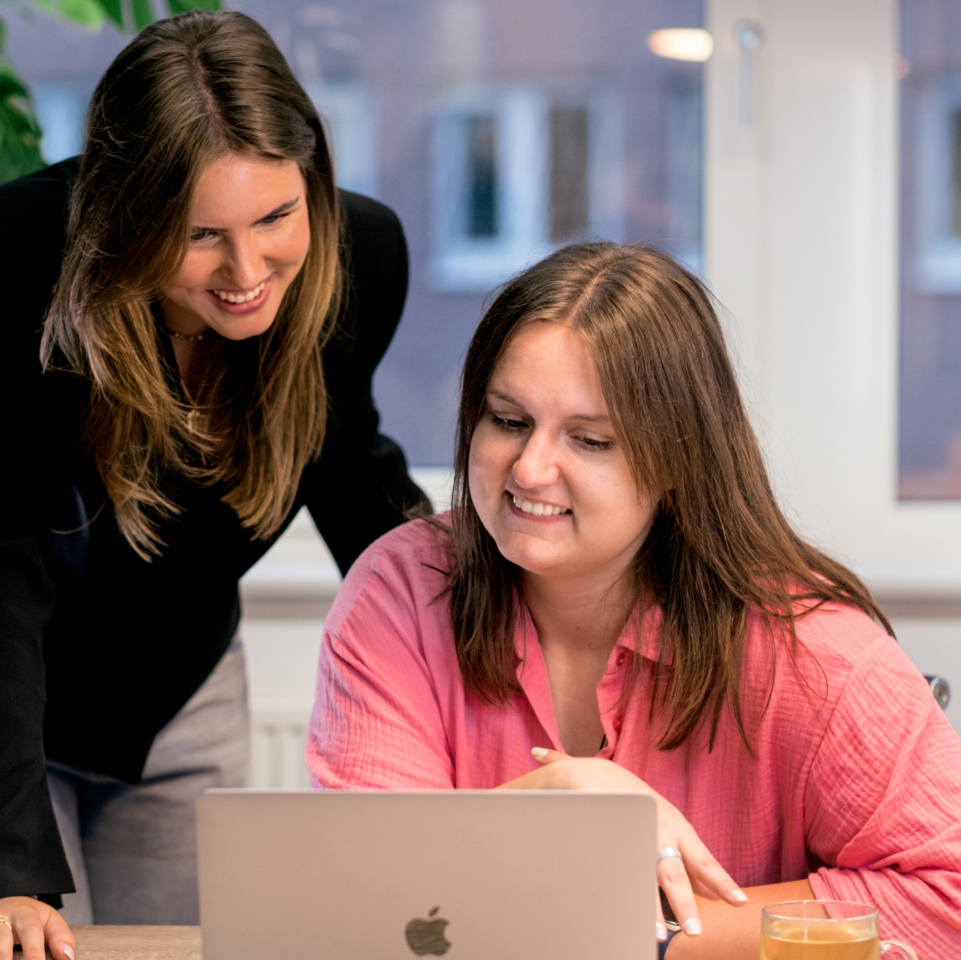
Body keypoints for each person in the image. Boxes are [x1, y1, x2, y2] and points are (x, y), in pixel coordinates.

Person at [0, 10, 427, 960]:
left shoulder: (361, 258)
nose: (248, 274)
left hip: (171, 680)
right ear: (128, 220)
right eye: (200, 237)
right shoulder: (3, 273)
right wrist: (5, 880)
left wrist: (481, 619)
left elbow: (346, 460)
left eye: (276, 217)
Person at [307, 243, 961, 959]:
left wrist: (646, 936)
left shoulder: (813, 648)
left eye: (590, 440)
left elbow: (946, 897)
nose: (529, 470)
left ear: (679, 462)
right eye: (508, 421)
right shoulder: (400, 592)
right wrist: (546, 805)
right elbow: (360, 901)